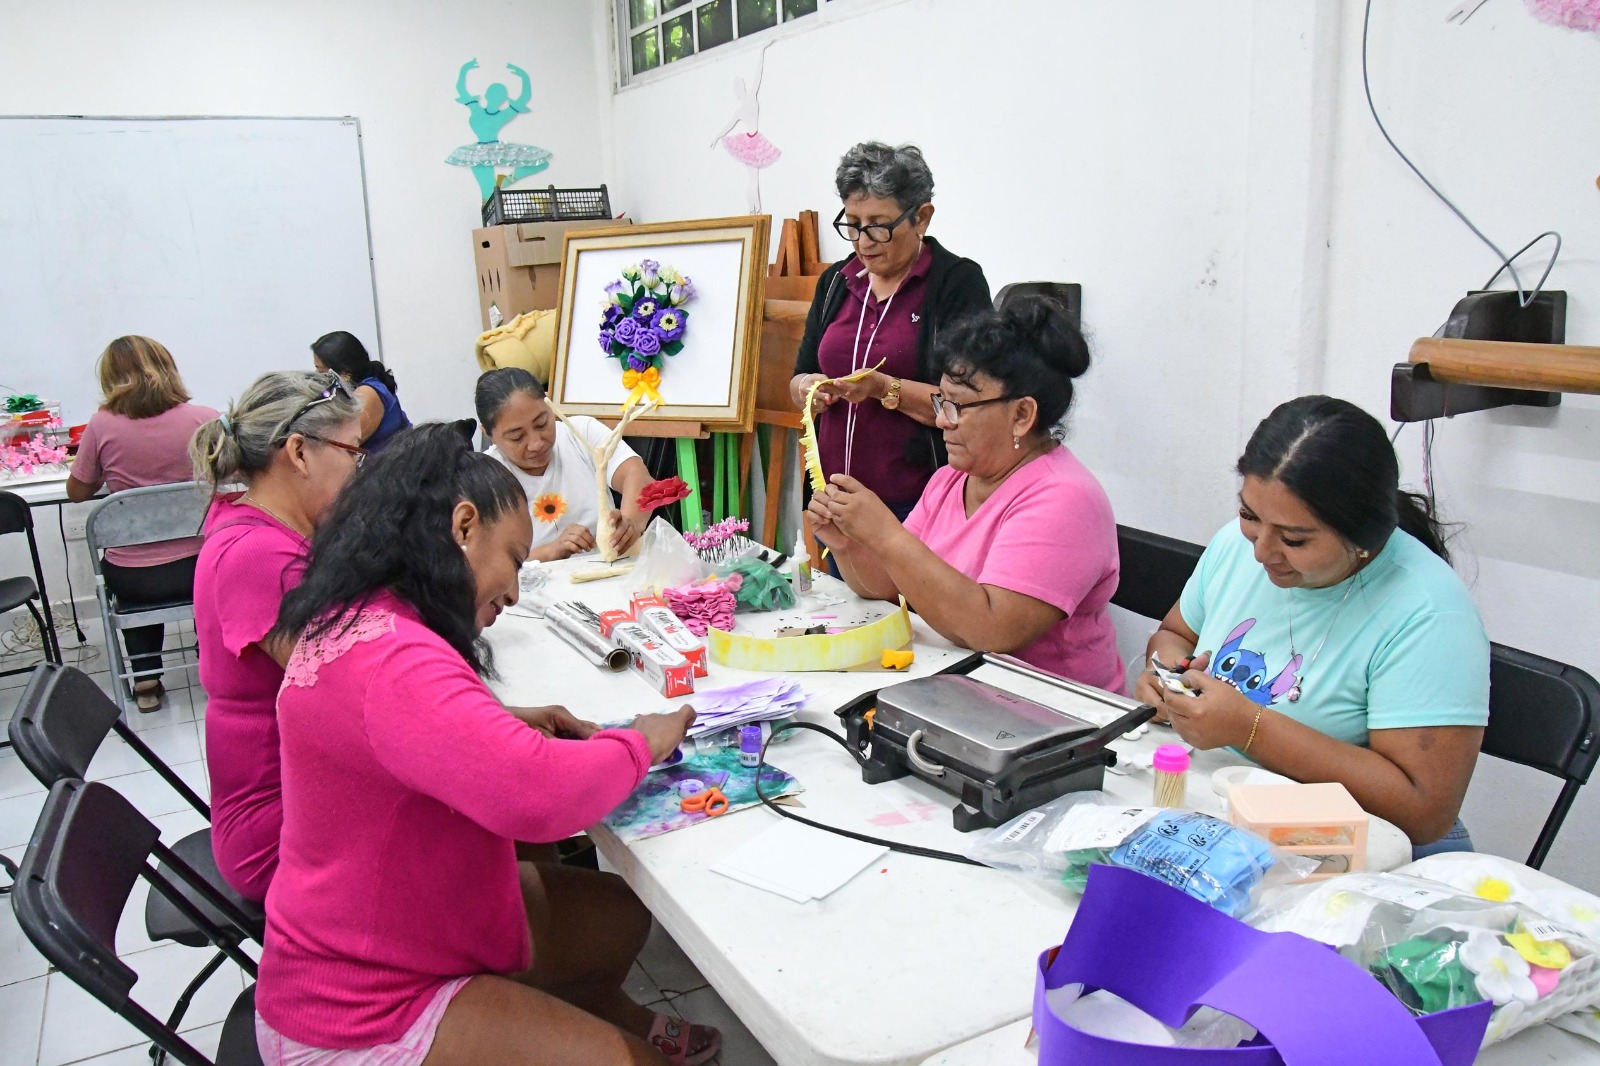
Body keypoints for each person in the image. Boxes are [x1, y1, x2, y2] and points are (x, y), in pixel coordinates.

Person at [256, 423, 716, 1066]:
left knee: (616, 915)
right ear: (464, 527)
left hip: (402, 926)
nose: (515, 592)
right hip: (361, 1005)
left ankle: (605, 1015)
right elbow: (539, 796)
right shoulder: (393, 659)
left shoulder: (367, 618)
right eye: (515, 561)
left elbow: (421, 738)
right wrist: (642, 742)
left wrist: (505, 723)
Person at [1134, 396, 1489, 857]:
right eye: (1249, 516)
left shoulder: (1430, 615)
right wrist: (1168, 676)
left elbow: (1424, 812)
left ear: (1363, 535)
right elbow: (1176, 634)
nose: (1261, 551)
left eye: (1294, 539)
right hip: (1230, 812)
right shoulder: (1238, 546)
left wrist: (1248, 728)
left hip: (1362, 852)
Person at [808, 298, 1123, 692]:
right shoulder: (950, 480)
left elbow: (993, 630)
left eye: (958, 406)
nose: (942, 419)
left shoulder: (1065, 500)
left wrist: (886, 536)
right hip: (962, 690)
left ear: (1022, 415)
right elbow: (889, 586)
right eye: (941, 401)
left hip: (1054, 708)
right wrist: (849, 545)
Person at [189, 371, 364, 902]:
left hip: (304, 788)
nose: (360, 471)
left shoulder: (273, 530)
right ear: (300, 452)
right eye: (353, 453)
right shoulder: (256, 556)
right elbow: (353, 691)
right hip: (276, 832)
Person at [790, 142, 992, 525]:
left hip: (916, 504)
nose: (863, 241)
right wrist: (806, 390)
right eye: (853, 224)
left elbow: (970, 406)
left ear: (922, 218)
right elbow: (799, 376)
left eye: (879, 226)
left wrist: (885, 388)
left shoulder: (956, 284)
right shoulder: (836, 281)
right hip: (832, 495)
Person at [66, 336, 218, 711]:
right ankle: (213, 664)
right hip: (200, 566)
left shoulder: (101, 425)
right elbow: (230, 474)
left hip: (134, 578)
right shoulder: (204, 419)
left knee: (132, 577)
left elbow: (77, 492)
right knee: (212, 569)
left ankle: (145, 681)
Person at [475, 367, 652, 561]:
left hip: (609, 566)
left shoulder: (580, 433)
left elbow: (635, 474)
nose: (536, 443)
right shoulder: (484, 477)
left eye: (541, 423)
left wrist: (630, 524)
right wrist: (550, 551)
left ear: (549, 403)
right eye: (517, 437)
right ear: (488, 434)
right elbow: (485, 562)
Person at [310, 330, 411, 452]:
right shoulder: (354, 389)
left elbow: (342, 447)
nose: (317, 375)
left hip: (394, 462)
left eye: (320, 370)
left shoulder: (368, 393)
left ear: (345, 372)